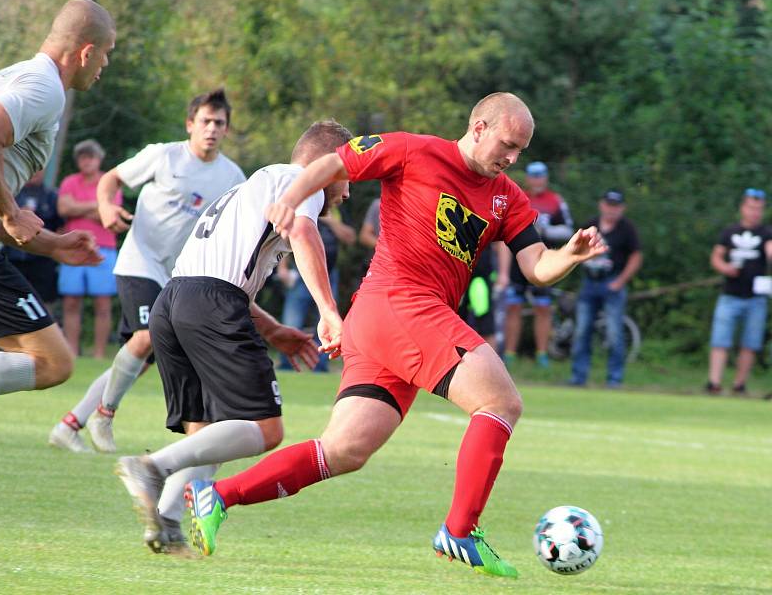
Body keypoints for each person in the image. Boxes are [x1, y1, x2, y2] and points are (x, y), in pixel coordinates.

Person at [183, 93, 607, 577]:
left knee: (344, 450)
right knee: (501, 403)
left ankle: (216, 495)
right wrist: (289, 200)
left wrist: (569, 255)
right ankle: (461, 531)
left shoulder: (506, 196)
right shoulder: (412, 150)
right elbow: (331, 162)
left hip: (389, 322)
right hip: (400, 303)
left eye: (521, 151)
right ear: (480, 127)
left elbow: (535, 267)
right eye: (508, 145)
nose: (513, 159)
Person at [114, 120, 350, 555]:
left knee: (212, 428)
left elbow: (217, 275)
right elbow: (301, 232)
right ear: (329, 164)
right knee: (265, 427)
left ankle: (165, 526)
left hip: (175, 299)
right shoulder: (303, 182)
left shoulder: (248, 187)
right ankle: (152, 467)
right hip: (210, 303)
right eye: (347, 176)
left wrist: (275, 330)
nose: (347, 191)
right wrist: (329, 311)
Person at [49, 89, 246, 454]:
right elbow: (111, 179)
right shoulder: (163, 155)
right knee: (145, 338)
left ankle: (70, 424)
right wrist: (106, 207)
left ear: (227, 130)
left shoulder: (233, 176)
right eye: (205, 121)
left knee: (136, 359)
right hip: (140, 261)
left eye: (220, 123)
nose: (212, 129)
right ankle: (104, 415)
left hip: (180, 277)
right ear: (190, 124)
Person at [0, 0, 113, 402]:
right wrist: (11, 212)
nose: (104, 64)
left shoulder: (13, 78)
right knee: (52, 360)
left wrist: (50, 244)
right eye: (106, 53)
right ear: (87, 51)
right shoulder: (46, 86)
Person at [502, 161, 574, 367]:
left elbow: (568, 230)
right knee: (513, 306)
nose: (537, 180)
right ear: (528, 178)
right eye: (533, 176)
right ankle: (510, 354)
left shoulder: (555, 201)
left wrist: (545, 231)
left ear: (546, 177)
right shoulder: (517, 195)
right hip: (517, 261)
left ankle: (542, 354)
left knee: (542, 308)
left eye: (541, 175)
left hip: (543, 259)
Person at [569, 189, 642, 387]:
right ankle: (578, 377)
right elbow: (574, 249)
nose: (612, 209)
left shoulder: (627, 229)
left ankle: (614, 379)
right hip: (589, 282)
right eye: (609, 205)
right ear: (602, 205)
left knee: (614, 332)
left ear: (622, 208)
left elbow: (636, 256)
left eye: (616, 206)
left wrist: (620, 281)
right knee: (582, 330)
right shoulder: (590, 225)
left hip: (612, 283)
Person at [57, 139, 122, 358]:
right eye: (83, 157)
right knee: (71, 300)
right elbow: (64, 208)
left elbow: (109, 215)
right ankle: (72, 350)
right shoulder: (69, 181)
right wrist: (96, 205)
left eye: (91, 157)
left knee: (103, 302)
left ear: (99, 159)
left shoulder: (109, 181)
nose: (87, 161)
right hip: (73, 247)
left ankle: (99, 353)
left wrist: (79, 208)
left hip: (104, 248)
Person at [705, 188, 772, 395]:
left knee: (750, 343)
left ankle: (739, 385)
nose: (755, 213)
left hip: (756, 297)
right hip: (730, 294)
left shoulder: (766, 232)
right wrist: (725, 268)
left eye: (759, 209)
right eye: (751, 208)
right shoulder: (729, 232)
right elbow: (716, 257)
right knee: (720, 340)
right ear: (743, 208)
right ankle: (714, 383)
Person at [277, 206, 356, 372]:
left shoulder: (336, 211)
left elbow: (350, 237)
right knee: (293, 321)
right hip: (302, 272)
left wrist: (331, 221)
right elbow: (286, 235)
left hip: (329, 274)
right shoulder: (305, 205)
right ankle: (286, 364)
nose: (346, 194)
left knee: (327, 319)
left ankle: (320, 366)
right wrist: (282, 268)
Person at [1, 170, 64, 308]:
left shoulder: (52, 196)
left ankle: (47, 329)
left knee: (44, 303)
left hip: (42, 261)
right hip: (14, 258)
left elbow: (60, 226)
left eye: (39, 169)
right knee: (12, 302)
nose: (35, 172)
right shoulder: (10, 194)